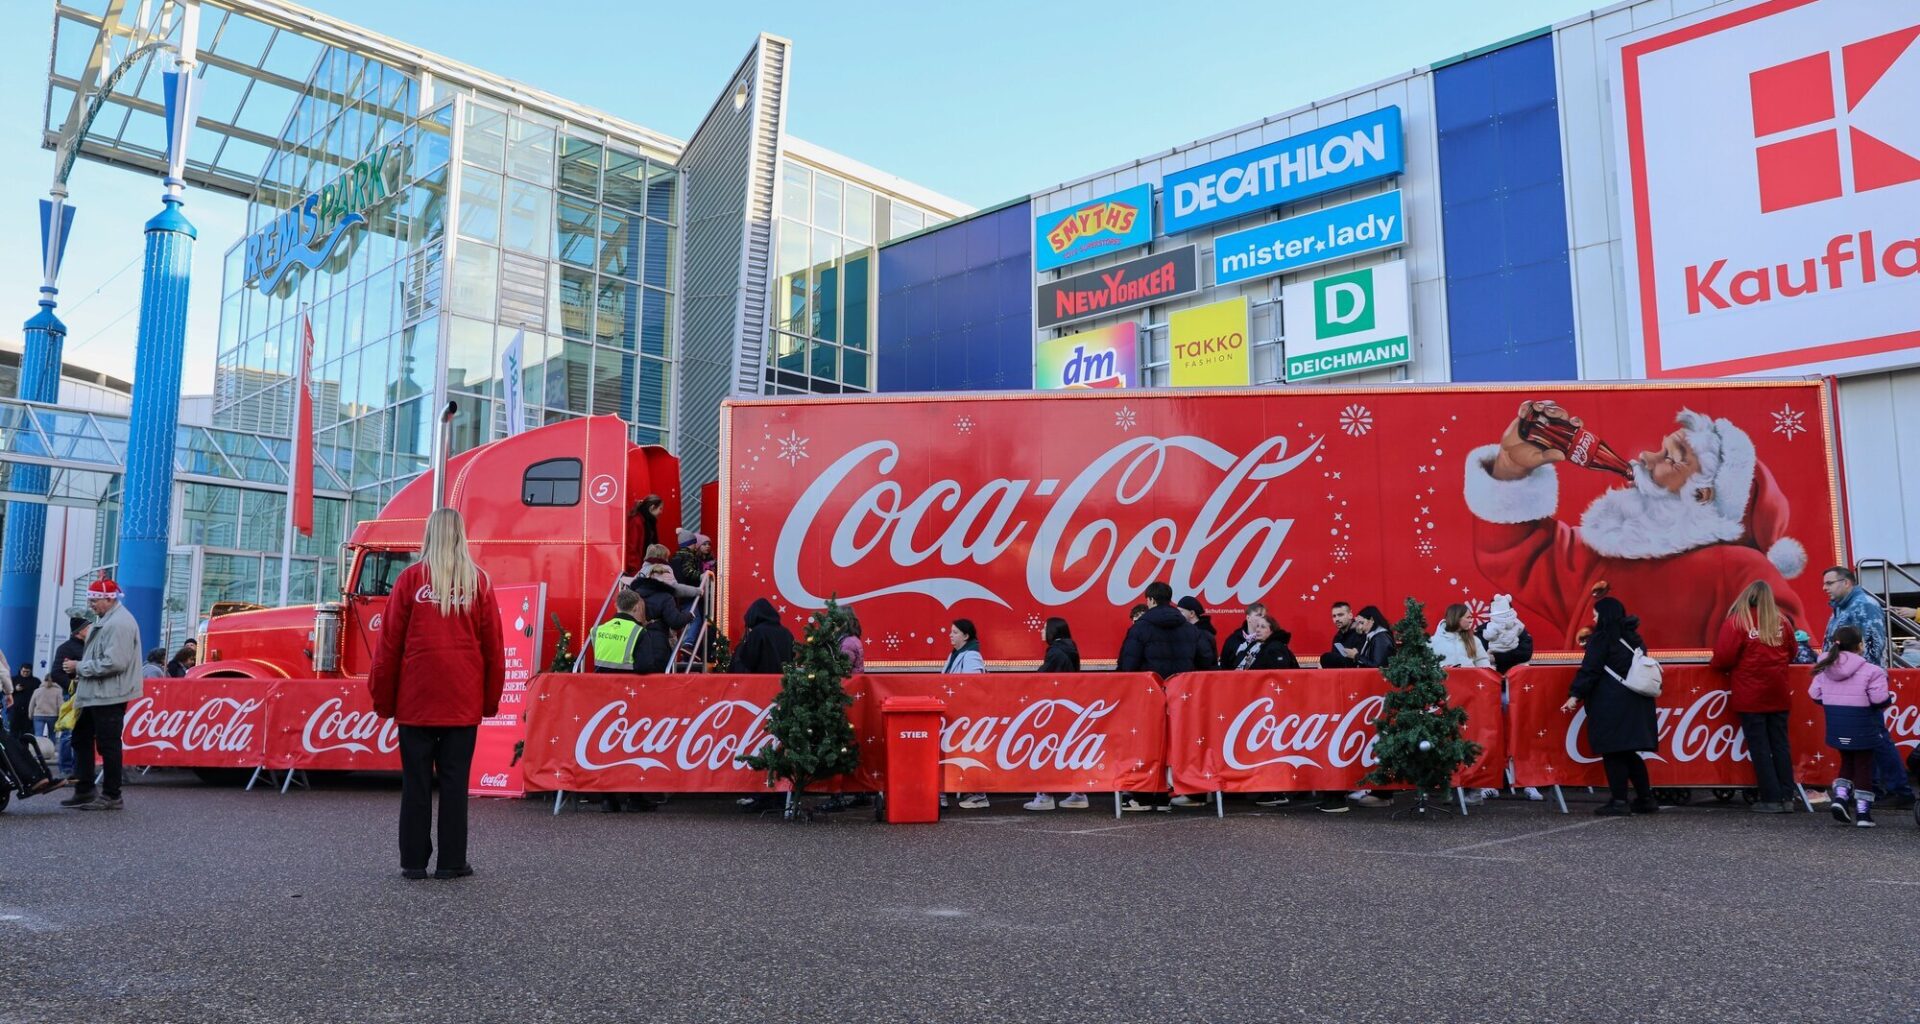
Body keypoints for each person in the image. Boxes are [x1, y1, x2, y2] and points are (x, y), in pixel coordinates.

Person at [1466, 402, 1808, 651]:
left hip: (1679, 732)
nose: (1646, 456)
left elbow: (1785, 656)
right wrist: (1510, 467)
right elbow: (1517, 552)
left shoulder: (1740, 571)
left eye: (1670, 457)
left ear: (1701, 494)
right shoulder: (1609, 551)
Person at [368, 508, 504, 880]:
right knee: (455, 783)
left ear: (428, 535)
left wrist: (383, 699)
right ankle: (451, 862)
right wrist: (490, 701)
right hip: (462, 699)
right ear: (462, 536)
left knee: (415, 783)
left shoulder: (410, 580)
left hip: (416, 699)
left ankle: (413, 861)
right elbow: (494, 648)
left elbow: (389, 646)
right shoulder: (478, 582)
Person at [1821, 566, 1912, 809]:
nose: (1825, 588)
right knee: (1864, 740)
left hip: (1861, 688)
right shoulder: (1841, 607)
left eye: (1830, 583)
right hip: (1846, 687)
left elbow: (1874, 647)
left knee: (1877, 737)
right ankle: (1872, 789)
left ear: (1847, 583)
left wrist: (1862, 683)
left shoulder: (1864, 605)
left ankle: (1899, 789)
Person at [1560, 596, 1658, 816]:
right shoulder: (1634, 637)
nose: (1593, 618)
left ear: (1605, 615)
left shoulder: (1602, 639)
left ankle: (1619, 801)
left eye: (1595, 614)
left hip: (1611, 702)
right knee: (1630, 752)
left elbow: (1590, 669)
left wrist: (1574, 695)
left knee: (1613, 752)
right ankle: (1645, 798)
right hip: (1637, 700)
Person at [1710, 580, 1796, 814]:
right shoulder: (1782, 621)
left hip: (1750, 694)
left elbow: (1722, 658)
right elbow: (1792, 652)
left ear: (1746, 597)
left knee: (1760, 747)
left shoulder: (1738, 622)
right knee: (1780, 745)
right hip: (1778, 691)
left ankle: (1771, 798)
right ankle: (1788, 797)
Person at [61, 579, 142, 812]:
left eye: (94, 600)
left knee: (108, 745)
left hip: (109, 694)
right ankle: (86, 789)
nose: (91, 605)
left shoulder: (119, 624)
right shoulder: (110, 619)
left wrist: (79, 667)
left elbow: (115, 663)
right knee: (81, 738)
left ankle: (111, 795)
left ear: (110, 598)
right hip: (99, 693)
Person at [1811, 625, 1891, 827]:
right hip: (1863, 725)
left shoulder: (1825, 668)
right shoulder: (1872, 671)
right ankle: (1863, 814)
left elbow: (1815, 694)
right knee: (1863, 766)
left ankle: (1840, 798)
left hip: (1837, 725)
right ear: (1860, 646)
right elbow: (1879, 698)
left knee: (1847, 761)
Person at [1025, 618, 1088, 812]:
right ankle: (1078, 793)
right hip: (1069, 707)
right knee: (1068, 751)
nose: (1041, 631)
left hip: (1052, 708)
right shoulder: (1071, 648)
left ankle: (1045, 795)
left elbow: (1043, 677)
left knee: (1047, 751)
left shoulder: (1055, 651)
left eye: (1044, 628)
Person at [941, 620, 992, 810]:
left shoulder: (971, 656)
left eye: (954, 632)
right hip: (956, 715)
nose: (950, 635)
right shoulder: (955, 654)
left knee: (967, 754)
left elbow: (973, 686)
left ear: (966, 635)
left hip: (965, 717)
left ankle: (978, 794)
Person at [1118, 582, 1208, 677]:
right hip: (1182, 688)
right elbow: (1205, 662)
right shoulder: (1191, 629)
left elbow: (1129, 665)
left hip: (1151, 689)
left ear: (1152, 600)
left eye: (1147, 600)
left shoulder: (1139, 628)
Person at [591, 590, 647, 675]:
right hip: (626, 683)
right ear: (636, 607)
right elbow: (644, 666)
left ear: (616, 605)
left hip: (601, 683)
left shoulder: (596, 630)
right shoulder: (639, 631)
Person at [733, 598, 794, 673]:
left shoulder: (757, 632)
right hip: (783, 681)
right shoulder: (786, 633)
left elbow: (748, 661)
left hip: (761, 681)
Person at [1477, 594, 1534, 674]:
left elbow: (1525, 653)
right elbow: (1479, 655)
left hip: (1516, 675)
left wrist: (1497, 658)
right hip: (1489, 675)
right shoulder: (1483, 630)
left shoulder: (1519, 628)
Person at [1432, 604, 1493, 669]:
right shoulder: (1432, 642)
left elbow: (1482, 661)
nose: (1471, 621)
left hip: (1470, 678)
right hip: (1445, 679)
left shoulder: (1474, 640)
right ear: (1457, 618)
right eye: (1468, 617)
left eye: (1471, 617)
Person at [1174, 597, 1220, 670]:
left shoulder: (1202, 634)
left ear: (1192, 613)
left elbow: (1205, 661)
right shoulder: (1194, 632)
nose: (1177, 615)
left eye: (1181, 612)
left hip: (1201, 678)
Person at [624, 494, 664, 575]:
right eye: (660, 508)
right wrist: (635, 571)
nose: (661, 512)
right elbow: (632, 549)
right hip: (638, 570)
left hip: (643, 568)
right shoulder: (637, 521)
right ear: (652, 508)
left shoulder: (646, 521)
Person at [1219, 603, 1268, 669]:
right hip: (1236, 678)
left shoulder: (1269, 640)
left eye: (1264, 616)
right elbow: (1224, 666)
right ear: (1248, 618)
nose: (1262, 618)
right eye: (1258, 615)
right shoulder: (1233, 640)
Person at [1320, 602, 1363, 668]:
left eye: (1340, 615)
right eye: (1334, 616)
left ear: (1350, 615)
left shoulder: (1361, 632)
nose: (1336, 619)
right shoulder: (1337, 637)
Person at [29, 671, 63, 740]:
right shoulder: (58, 691)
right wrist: (61, 716)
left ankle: (39, 749)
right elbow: (61, 705)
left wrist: (30, 714)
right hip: (53, 716)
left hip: (38, 715)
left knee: (38, 735)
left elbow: (32, 704)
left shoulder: (37, 690)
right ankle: (51, 749)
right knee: (52, 735)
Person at [839, 612, 866, 676]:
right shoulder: (854, 639)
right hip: (856, 676)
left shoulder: (848, 643)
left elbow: (845, 666)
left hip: (849, 680)